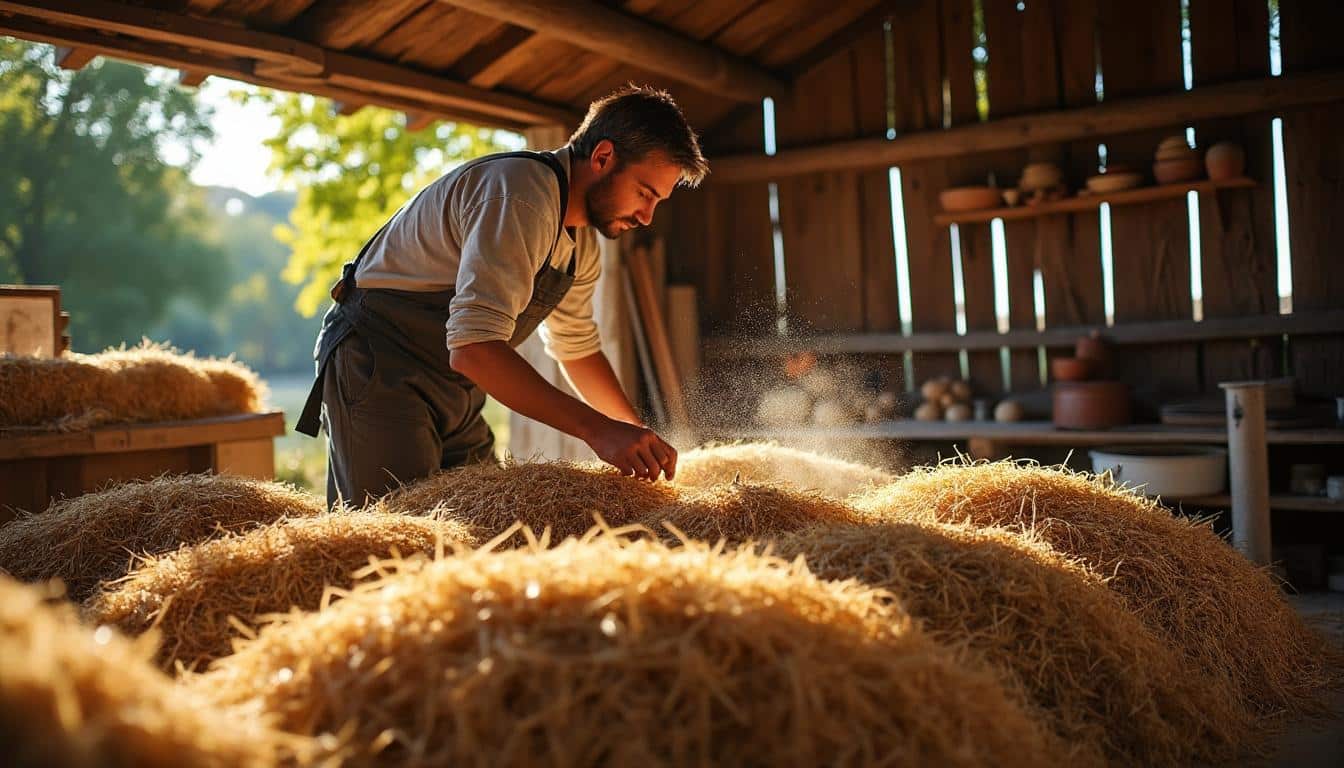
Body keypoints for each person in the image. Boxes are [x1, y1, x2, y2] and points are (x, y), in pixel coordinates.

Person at [295, 85, 708, 508]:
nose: (647, 216)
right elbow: (473, 349)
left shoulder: (581, 248)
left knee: (486, 518)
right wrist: (598, 430)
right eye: (644, 193)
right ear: (603, 157)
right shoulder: (521, 194)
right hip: (381, 367)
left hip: (455, 389)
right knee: (399, 526)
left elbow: (576, 347)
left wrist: (634, 435)